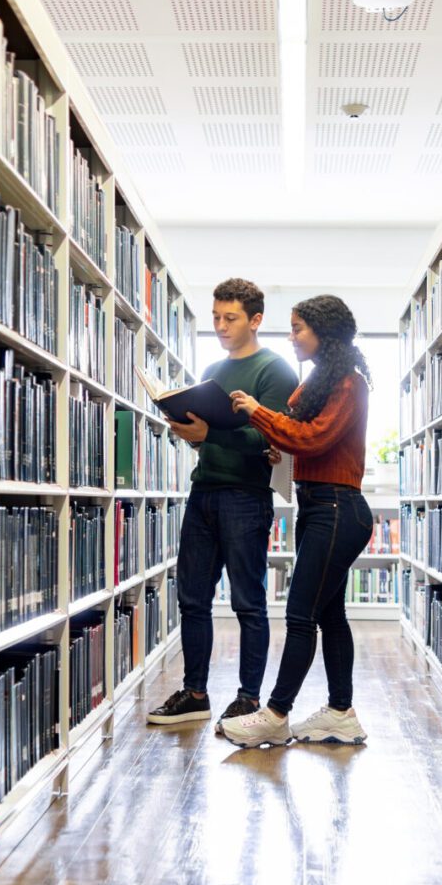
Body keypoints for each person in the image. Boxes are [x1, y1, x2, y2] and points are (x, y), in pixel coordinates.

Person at [219, 295, 373, 748]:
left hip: (338, 509)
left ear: (323, 332)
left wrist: (257, 411)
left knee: (300, 614)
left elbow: (314, 437)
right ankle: (341, 712)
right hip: (317, 507)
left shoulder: (349, 383)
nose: (291, 337)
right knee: (330, 613)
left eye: (298, 328)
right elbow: (299, 437)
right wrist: (276, 444)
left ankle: (276, 714)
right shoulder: (319, 384)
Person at [146, 278, 299, 731]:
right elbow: (215, 435)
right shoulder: (213, 368)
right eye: (215, 317)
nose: (220, 325)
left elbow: (270, 437)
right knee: (192, 598)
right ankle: (195, 694)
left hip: (245, 498)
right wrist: (192, 431)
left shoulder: (276, 371)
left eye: (229, 318)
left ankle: (248, 699)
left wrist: (210, 435)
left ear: (255, 320)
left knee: (248, 602)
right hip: (204, 492)